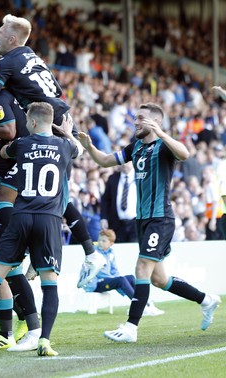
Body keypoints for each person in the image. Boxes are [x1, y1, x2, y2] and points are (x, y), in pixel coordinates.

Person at [0, 102, 83, 357]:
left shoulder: (22, 144)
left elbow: (6, 152)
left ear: (30, 123)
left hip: (19, 216)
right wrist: (64, 133)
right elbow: (80, 151)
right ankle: (43, 339)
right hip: (48, 219)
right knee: (49, 284)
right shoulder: (65, 146)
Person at [79, 102, 221, 343]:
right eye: (135, 118)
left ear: (154, 122)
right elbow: (104, 161)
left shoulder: (164, 146)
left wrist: (162, 132)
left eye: (141, 118)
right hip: (142, 220)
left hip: (160, 218)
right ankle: (206, 299)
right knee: (159, 279)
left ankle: (131, 328)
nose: (135, 122)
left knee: (142, 267)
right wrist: (89, 147)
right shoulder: (135, 148)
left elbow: (185, 154)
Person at [0, 13, 106, 283]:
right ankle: (39, 253)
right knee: (39, 192)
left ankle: (89, 253)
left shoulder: (8, 61)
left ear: (12, 38)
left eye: (0, 32)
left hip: (48, 123)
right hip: (56, 117)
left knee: (53, 195)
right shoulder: (34, 58)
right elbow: (56, 88)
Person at [79, 229, 164, 316]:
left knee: (130, 278)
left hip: (106, 280)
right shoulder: (95, 253)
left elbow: (114, 270)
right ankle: (139, 307)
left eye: (103, 240)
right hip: (94, 283)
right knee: (121, 280)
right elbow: (99, 273)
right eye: (99, 240)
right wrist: (116, 280)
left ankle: (147, 303)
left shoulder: (110, 253)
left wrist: (117, 281)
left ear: (111, 243)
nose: (100, 242)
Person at [100, 162, 138, 243]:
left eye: (127, 161)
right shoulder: (113, 178)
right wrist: (104, 218)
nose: (124, 164)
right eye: (122, 162)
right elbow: (105, 200)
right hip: (117, 224)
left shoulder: (140, 177)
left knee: (134, 250)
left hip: (136, 224)